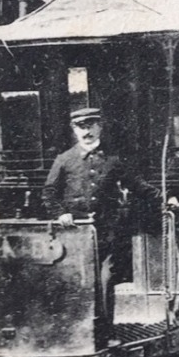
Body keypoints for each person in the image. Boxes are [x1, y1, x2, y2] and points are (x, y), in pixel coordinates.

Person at [42, 107, 167, 316]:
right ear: (74, 130)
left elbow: (136, 184)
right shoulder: (64, 159)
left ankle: (106, 334)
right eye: (81, 127)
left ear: (99, 127)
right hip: (75, 233)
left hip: (105, 232)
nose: (86, 131)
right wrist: (60, 213)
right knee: (78, 280)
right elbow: (49, 191)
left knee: (106, 278)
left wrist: (163, 197)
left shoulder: (113, 160)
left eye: (91, 125)